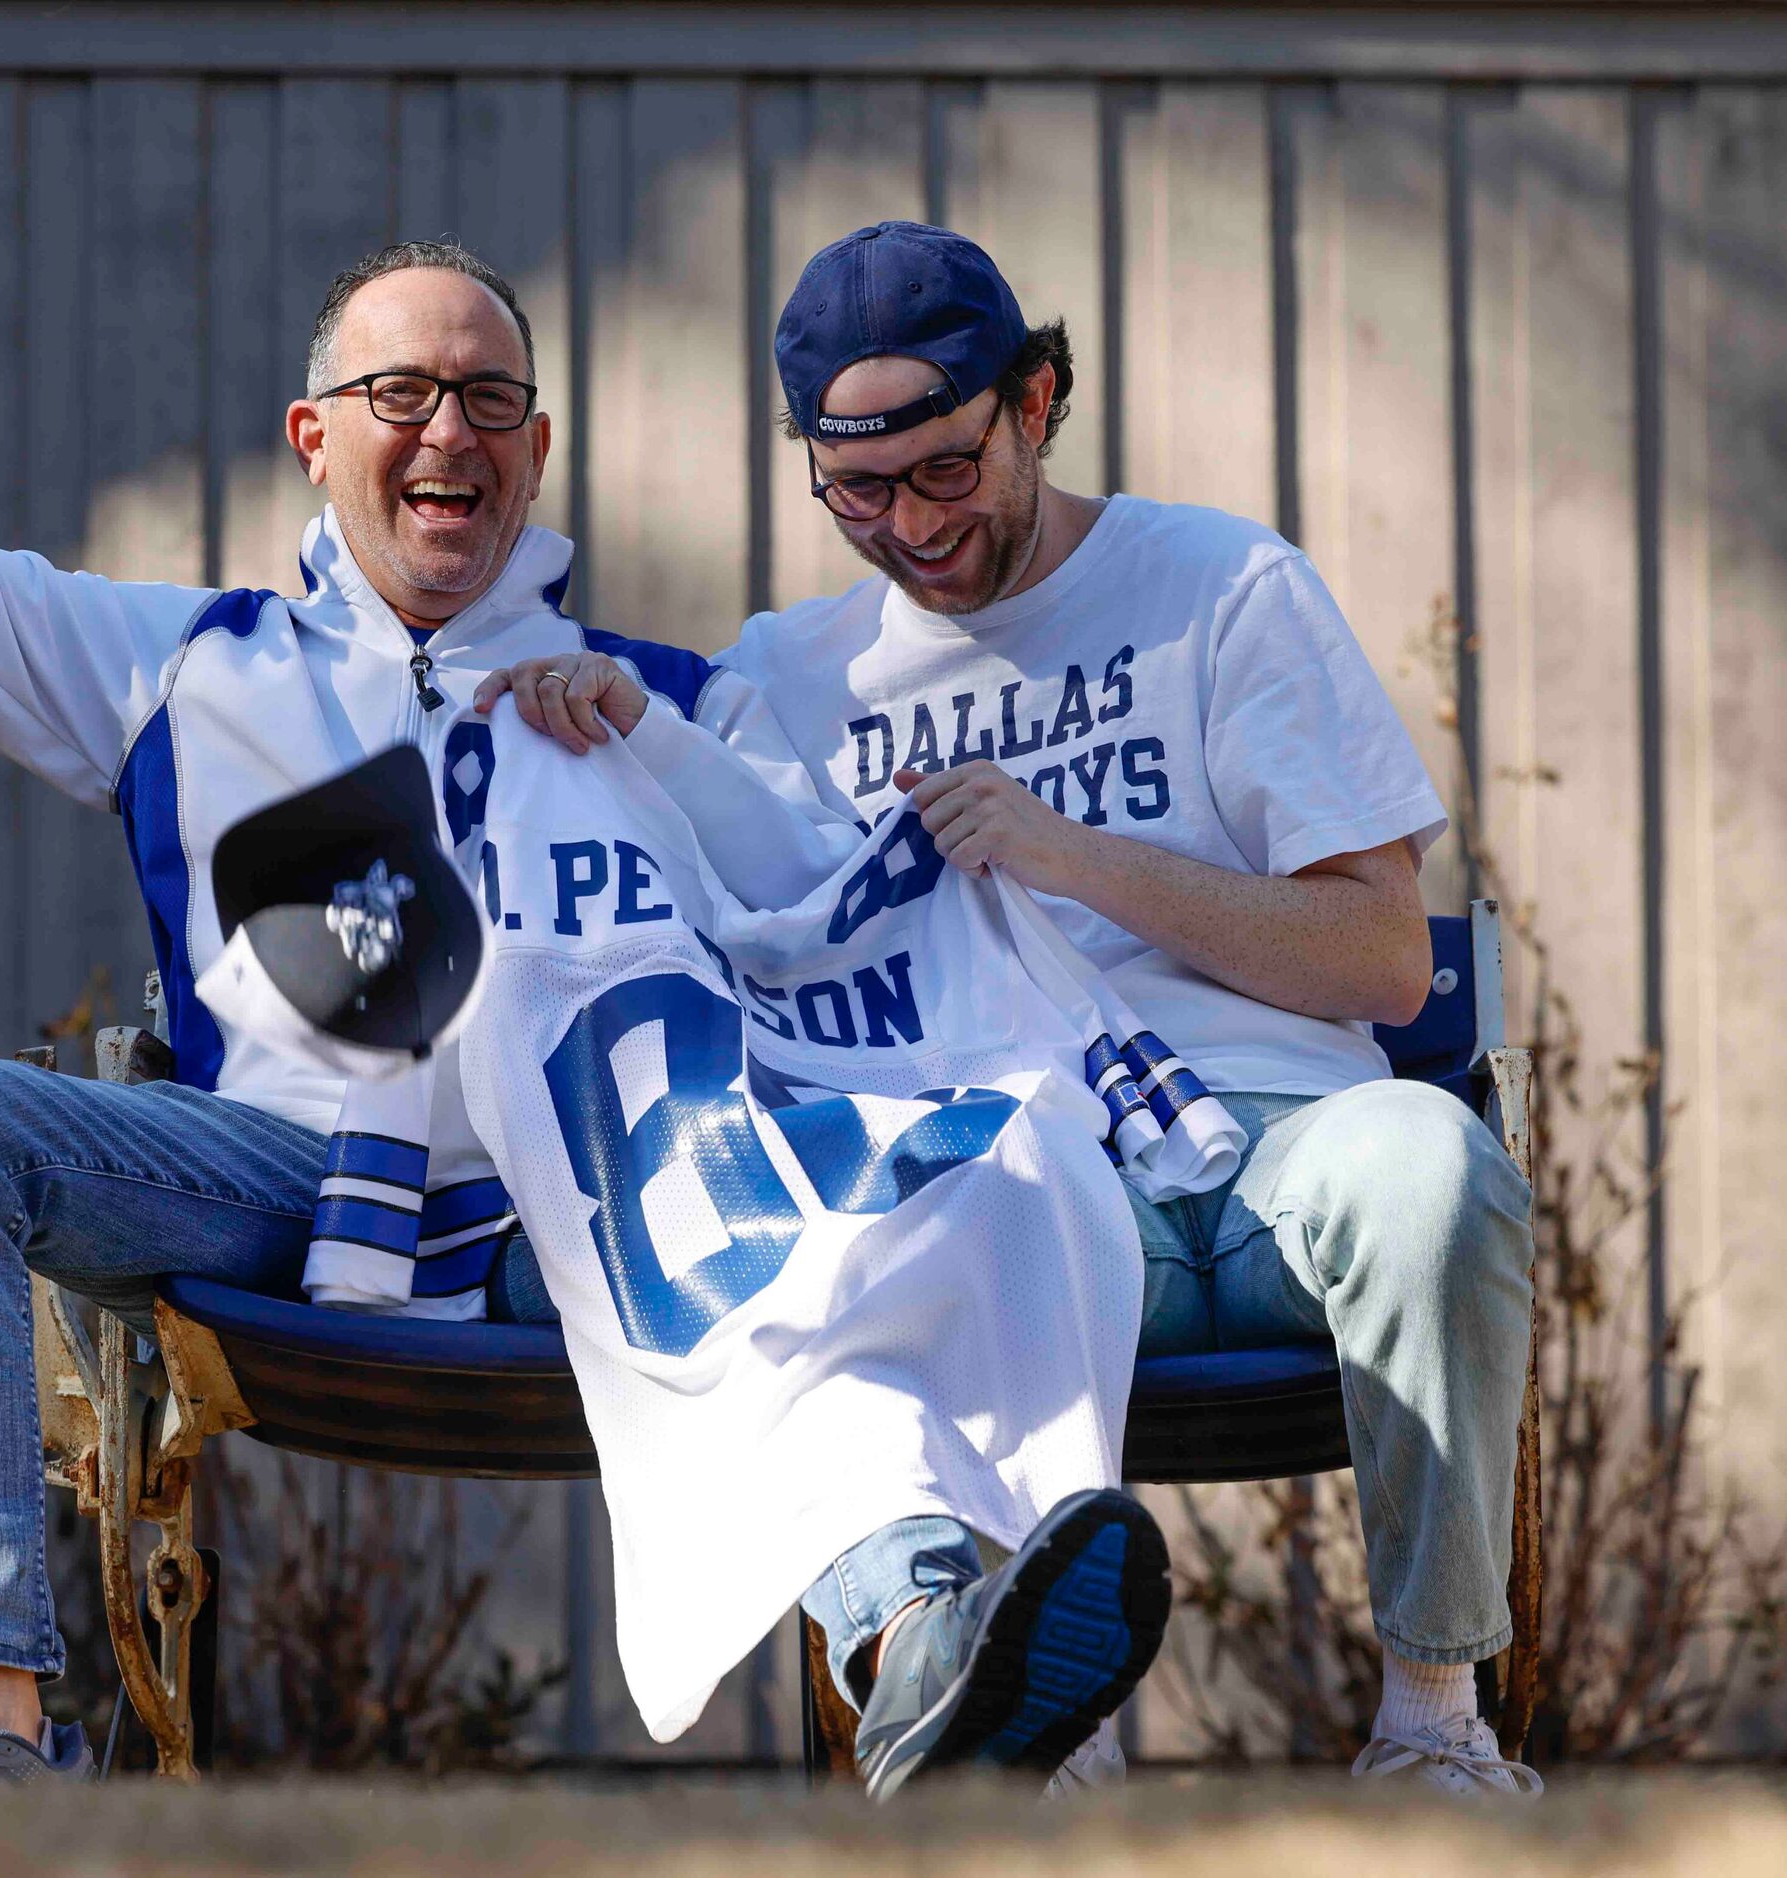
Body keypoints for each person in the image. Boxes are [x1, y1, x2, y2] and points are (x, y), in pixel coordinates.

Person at [0, 30, 850, 1790]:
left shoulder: (665, 689)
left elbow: (837, 920)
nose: (450, 427)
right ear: (314, 439)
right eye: (402, 396)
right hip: (277, 1179)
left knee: (881, 1184)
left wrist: (665, 750)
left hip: (599, 1190)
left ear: (536, 448)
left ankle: (939, 1683)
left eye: (490, 399)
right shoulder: (184, 670)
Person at [479, 223, 1541, 1800]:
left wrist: (1069, 857)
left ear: (1034, 398)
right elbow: (744, 934)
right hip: (996, 1163)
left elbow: (1383, 961)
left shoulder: (1218, 587)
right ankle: (1032, 1723)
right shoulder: (788, 672)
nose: (910, 526)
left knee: (1431, 1166)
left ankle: (1433, 1723)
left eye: (944, 468)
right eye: (859, 491)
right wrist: (617, 732)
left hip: (1264, 1156)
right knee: (870, 1218)